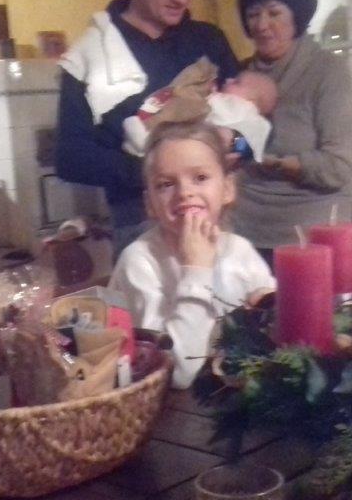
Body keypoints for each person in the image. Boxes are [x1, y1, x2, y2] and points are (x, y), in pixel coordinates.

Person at [56, 0, 240, 255]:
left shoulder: (208, 41)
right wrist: (157, 173)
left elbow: (254, 125)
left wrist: (238, 144)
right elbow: (70, 157)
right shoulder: (90, 55)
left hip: (215, 221)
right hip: (138, 225)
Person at [109, 121, 275, 389]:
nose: (185, 192)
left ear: (227, 189)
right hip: (171, 407)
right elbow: (177, 374)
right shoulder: (138, 262)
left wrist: (267, 309)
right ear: (149, 203)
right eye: (166, 184)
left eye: (200, 178)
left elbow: (276, 341)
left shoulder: (240, 251)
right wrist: (196, 269)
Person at [230, 0, 352, 264]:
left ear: (297, 15)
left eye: (273, 13)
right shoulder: (239, 77)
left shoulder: (327, 71)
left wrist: (280, 163)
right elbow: (235, 145)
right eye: (253, 14)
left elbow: (337, 166)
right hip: (246, 230)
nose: (262, 25)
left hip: (310, 234)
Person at [122, 56, 278, 163]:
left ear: (251, 102)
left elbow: (254, 139)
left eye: (237, 82)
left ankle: (146, 143)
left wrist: (235, 141)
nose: (229, 79)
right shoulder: (226, 101)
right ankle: (146, 141)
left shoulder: (247, 113)